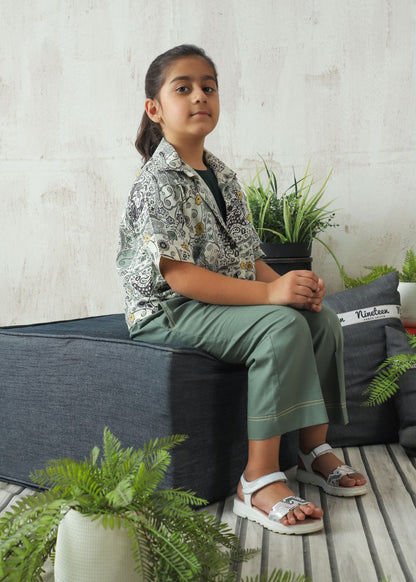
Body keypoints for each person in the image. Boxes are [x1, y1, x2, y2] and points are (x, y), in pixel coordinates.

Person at [117, 44, 367, 535]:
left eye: (208, 87)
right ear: (155, 109)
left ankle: (312, 448)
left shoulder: (224, 177)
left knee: (321, 319)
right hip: (168, 309)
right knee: (279, 327)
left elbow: (250, 261)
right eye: (183, 88)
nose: (199, 96)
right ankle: (257, 481)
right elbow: (180, 277)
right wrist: (273, 298)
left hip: (212, 302)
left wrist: (293, 288)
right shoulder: (158, 181)